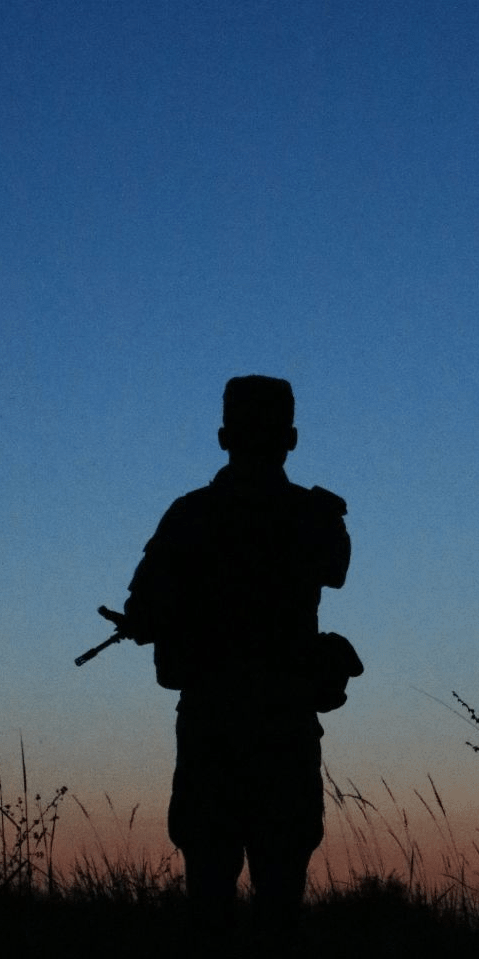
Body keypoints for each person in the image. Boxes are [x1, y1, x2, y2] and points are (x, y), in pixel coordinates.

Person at [118, 375, 357, 929]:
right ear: (291, 439)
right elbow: (337, 571)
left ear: (223, 436)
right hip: (281, 726)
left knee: (209, 887)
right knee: (279, 891)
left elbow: (145, 606)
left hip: (214, 726)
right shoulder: (310, 514)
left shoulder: (191, 514)